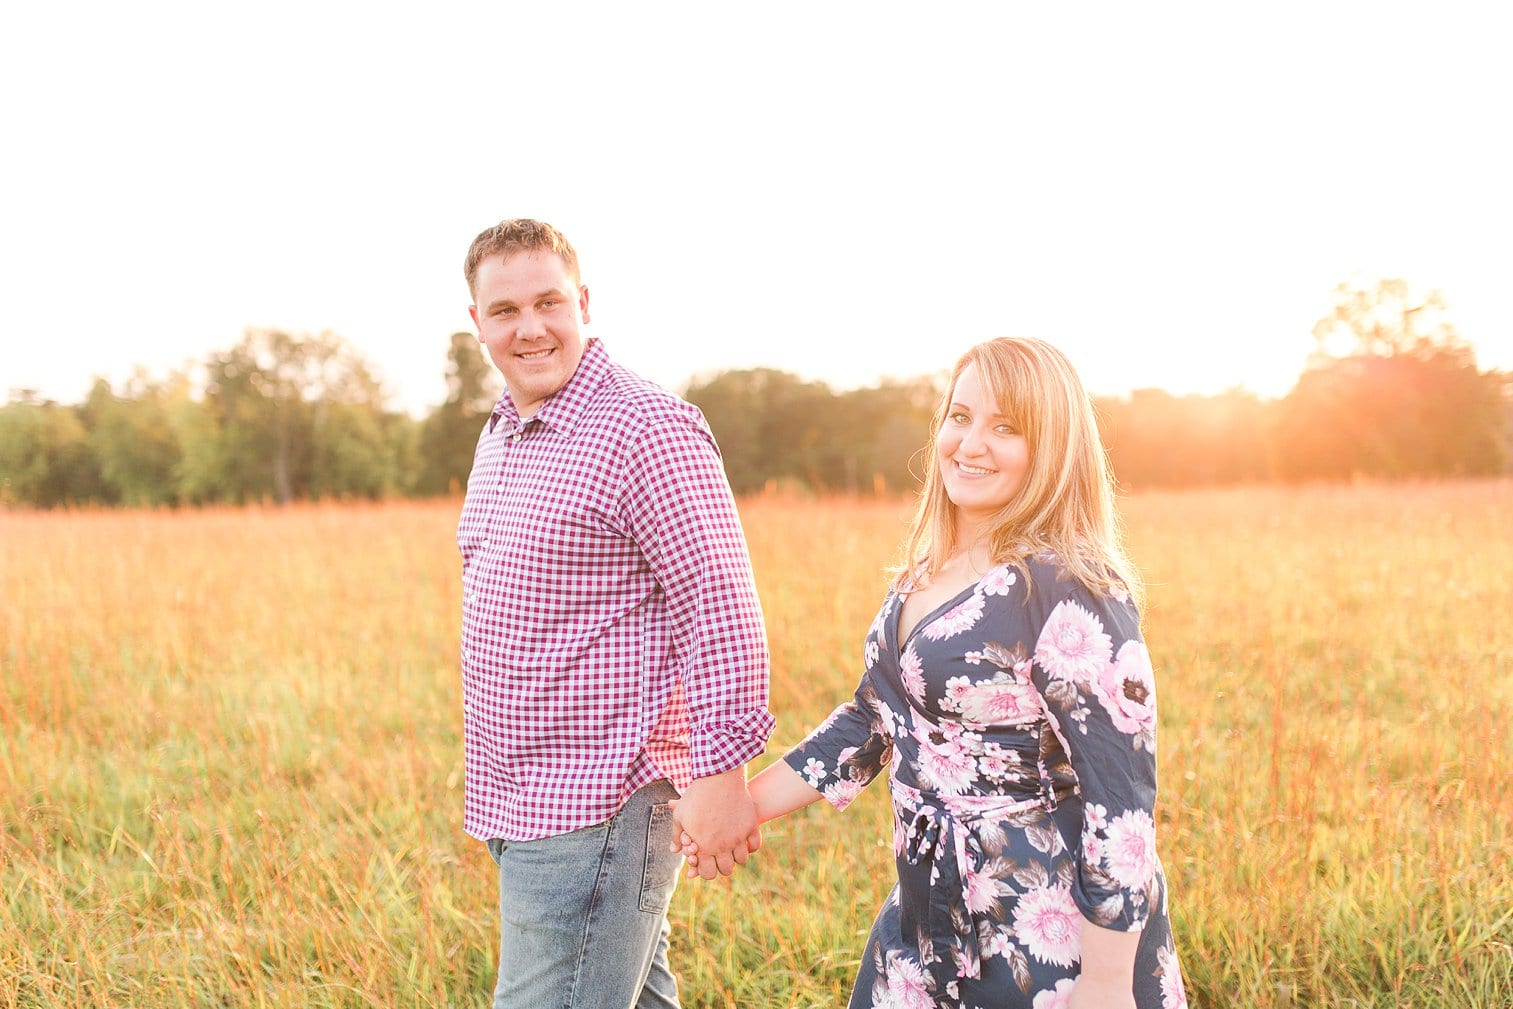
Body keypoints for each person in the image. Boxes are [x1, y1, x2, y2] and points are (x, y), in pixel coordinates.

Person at [677, 338, 1187, 1009]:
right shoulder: (925, 572)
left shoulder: (1066, 587)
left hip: (1042, 931)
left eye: (1005, 427)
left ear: (1053, 447)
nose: (970, 443)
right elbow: (871, 720)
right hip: (926, 914)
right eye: (960, 416)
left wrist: (1105, 981)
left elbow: (1118, 797)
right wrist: (742, 806)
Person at [457, 218, 773, 1009]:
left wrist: (720, 775)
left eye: (548, 302)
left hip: (599, 802)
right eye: (504, 311)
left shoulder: (646, 428)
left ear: (583, 302)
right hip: (518, 797)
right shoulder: (501, 433)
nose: (529, 328)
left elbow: (722, 610)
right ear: (477, 324)